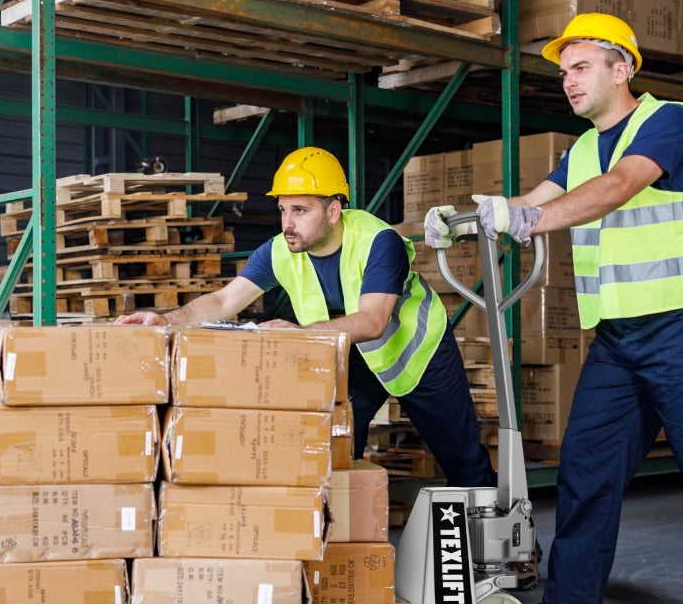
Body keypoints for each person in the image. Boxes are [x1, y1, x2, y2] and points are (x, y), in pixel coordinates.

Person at [425, 12, 683, 604]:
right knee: (587, 463)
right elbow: (529, 203)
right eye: (564, 71)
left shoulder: (668, 121)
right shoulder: (583, 150)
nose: (568, 80)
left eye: (581, 66)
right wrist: (461, 222)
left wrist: (525, 221)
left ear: (622, 69)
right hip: (620, 342)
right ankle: (571, 603)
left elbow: (619, 188)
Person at [122, 147, 494, 486]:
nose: (288, 223)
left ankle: (510, 551)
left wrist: (300, 334)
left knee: (462, 461)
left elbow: (372, 321)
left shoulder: (379, 241)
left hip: (417, 353)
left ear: (333, 210)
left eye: (300, 210)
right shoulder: (280, 250)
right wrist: (166, 320)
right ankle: (349, 540)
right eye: (283, 209)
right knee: (339, 452)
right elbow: (223, 302)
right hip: (355, 358)